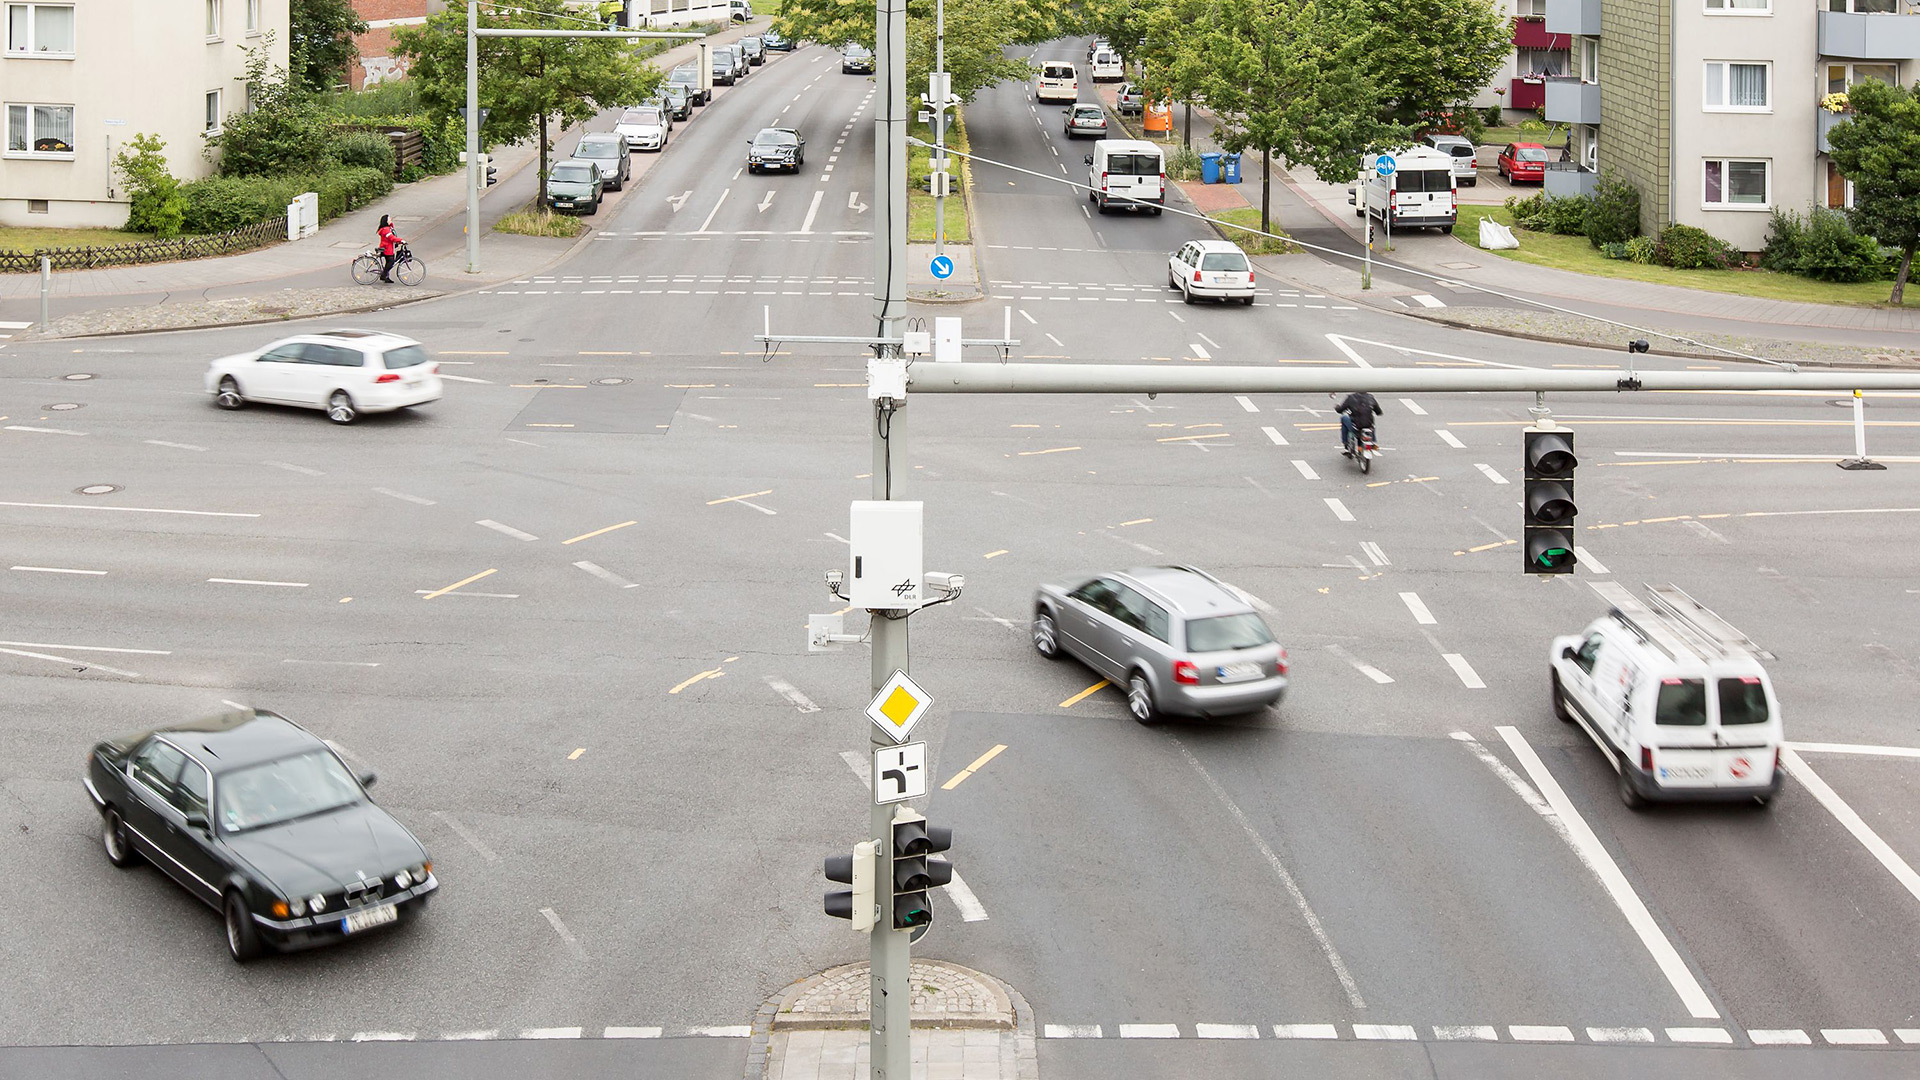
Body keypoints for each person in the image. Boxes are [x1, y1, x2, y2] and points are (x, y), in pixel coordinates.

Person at [1334, 391, 1380, 456]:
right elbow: (1379, 412)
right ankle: (1373, 441)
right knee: (1372, 422)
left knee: (1344, 418)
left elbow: (1340, 410)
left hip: (1356, 427)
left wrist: (1337, 407)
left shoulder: (1351, 397)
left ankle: (1346, 444)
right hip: (1368, 427)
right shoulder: (1371, 397)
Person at [376, 214, 404, 283]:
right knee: (391, 262)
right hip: (386, 248)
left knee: (389, 262)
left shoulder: (387, 228)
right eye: (389, 219)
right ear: (386, 221)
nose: (391, 220)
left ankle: (386, 276)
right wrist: (401, 240)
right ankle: (384, 275)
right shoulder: (386, 230)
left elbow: (392, 228)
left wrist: (390, 223)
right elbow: (392, 238)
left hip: (388, 248)